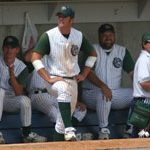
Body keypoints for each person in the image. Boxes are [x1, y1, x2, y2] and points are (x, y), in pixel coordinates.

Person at [31, 6, 97, 141]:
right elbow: (34, 58)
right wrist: (48, 78)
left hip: (73, 80)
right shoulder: (49, 35)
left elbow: (93, 54)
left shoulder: (78, 35)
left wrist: (84, 74)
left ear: (71, 20)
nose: (60, 18)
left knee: (61, 121)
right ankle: (70, 128)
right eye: (59, 16)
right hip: (56, 80)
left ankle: (59, 141)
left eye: (64, 16)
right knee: (63, 90)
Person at [0, 36, 46, 143]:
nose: (9, 50)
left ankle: (27, 134)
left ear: (17, 50)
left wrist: (12, 76)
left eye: (12, 48)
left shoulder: (21, 67)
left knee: (26, 100)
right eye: (7, 47)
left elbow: (18, 92)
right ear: (3, 48)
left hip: (10, 100)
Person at [81, 23, 135, 139]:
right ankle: (103, 129)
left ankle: (129, 127)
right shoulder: (91, 50)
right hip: (92, 93)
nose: (108, 38)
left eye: (110, 35)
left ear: (114, 36)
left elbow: (132, 73)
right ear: (99, 36)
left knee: (137, 94)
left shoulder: (122, 51)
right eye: (104, 35)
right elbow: (89, 73)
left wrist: (144, 87)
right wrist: (102, 86)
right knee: (103, 94)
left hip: (114, 93)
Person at [24, 54, 93, 141]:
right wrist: (43, 43)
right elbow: (26, 57)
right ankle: (68, 135)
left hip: (54, 94)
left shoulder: (59, 60)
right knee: (55, 113)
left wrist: (74, 100)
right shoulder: (38, 57)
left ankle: (66, 134)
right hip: (38, 95)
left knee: (80, 109)